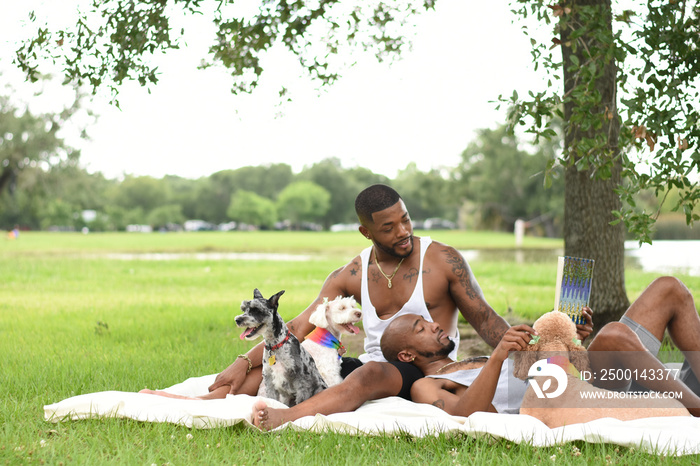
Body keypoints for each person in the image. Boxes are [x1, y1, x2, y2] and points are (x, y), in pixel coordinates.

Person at [209, 184, 512, 429]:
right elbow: (300, 327)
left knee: (371, 374)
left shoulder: (443, 260)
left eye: (405, 219)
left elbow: (486, 320)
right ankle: (204, 401)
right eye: (389, 227)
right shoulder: (351, 273)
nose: (403, 231)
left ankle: (286, 418)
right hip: (373, 365)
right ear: (366, 232)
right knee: (281, 364)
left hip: (422, 369)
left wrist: (531, 351)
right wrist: (243, 362)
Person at [383, 278, 700, 418]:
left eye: (428, 321)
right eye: (420, 329)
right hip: (565, 402)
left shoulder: (466, 362)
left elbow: (550, 367)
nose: (434, 325)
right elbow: (466, 416)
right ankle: (696, 409)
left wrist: (574, 340)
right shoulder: (425, 386)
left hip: (583, 380)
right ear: (406, 355)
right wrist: (497, 356)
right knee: (615, 335)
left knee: (668, 288)